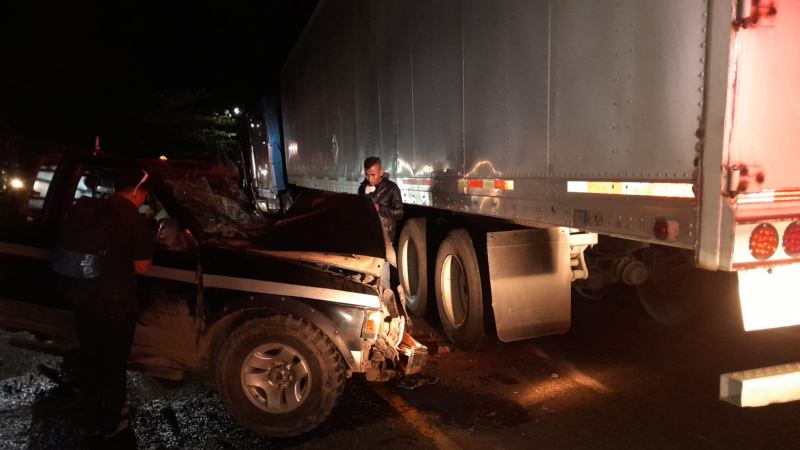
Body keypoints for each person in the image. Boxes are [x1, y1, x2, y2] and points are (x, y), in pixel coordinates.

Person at [59, 165, 153, 441]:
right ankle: (110, 421)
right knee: (113, 363)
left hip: (85, 299)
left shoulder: (90, 210)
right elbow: (142, 267)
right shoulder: (134, 220)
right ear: (137, 192)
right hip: (117, 304)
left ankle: (88, 419)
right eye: (145, 195)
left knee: (90, 358)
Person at [358, 156, 404, 241]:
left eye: (373, 175)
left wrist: (380, 208)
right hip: (367, 235)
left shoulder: (392, 188)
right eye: (367, 174)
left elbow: (400, 213)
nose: (370, 178)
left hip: (385, 237)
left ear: (381, 172)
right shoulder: (362, 188)